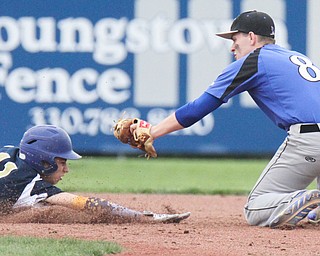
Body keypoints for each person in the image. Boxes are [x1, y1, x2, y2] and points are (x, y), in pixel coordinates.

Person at [131, 10, 320, 228]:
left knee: (256, 208)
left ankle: (296, 199)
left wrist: (153, 131)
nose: (232, 47)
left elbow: (197, 109)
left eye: (234, 38)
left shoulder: (255, 60)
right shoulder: (296, 57)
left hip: (310, 140)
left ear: (251, 37)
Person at [0, 124, 190, 223]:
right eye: (62, 161)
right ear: (43, 161)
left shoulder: (10, 151)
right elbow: (85, 204)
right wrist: (143, 217)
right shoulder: (30, 184)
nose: (66, 169)